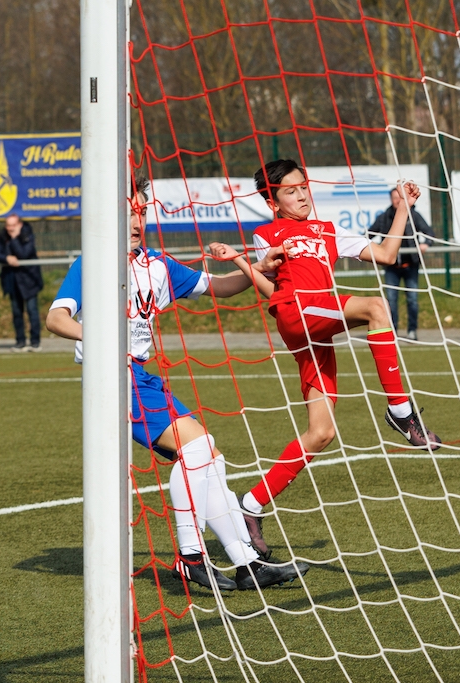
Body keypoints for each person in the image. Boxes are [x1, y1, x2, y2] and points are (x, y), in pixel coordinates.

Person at [45, 176, 308, 592]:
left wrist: (255, 267)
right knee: (198, 448)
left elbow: (219, 287)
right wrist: (99, 338)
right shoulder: (93, 263)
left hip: (141, 377)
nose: (137, 221)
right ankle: (190, 557)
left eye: (141, 211)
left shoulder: (157, 264)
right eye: (128, 212)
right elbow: (56, 318)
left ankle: (247, 563)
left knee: (211, 458)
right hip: (112, 378)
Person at [238, 159, 442, 559]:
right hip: (296, 313)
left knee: (321, 433)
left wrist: (403, 209)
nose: (302, 195)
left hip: (316, 325)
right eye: (290, 191)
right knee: (376, 307)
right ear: (273, 202)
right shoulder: (267, 233)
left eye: (303, 187)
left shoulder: (328, 230)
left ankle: (249, 505)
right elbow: (271, 283)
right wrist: (249, 264)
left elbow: (386, 254)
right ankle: (401, 412)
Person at [368, 187, 434, 341]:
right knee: (391, 301)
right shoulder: (384, 217)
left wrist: (426, 243)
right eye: (395, 198)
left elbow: (429, 232)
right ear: (391, 200)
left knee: (412, 299)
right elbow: (369, 234)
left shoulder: (414, 216)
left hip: (410, 265)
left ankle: (412, 331)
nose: (397, 200)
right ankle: (393, 331)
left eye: (400, 197)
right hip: (391, 267)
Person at [0, 214, 45, 351]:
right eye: (8, 225)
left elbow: (24, 254)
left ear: (19, 225)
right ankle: (20, 342)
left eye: (13, 225)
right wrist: (7, 258)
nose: (10, 228)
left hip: (29, 280)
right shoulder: (3, 236)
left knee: (32, 311)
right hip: (12, 280)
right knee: (17, 313)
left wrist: (15, 239)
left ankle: (35, 342)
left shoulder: (27, 235)